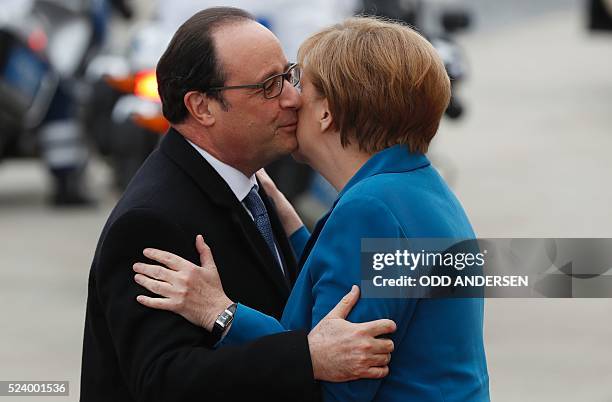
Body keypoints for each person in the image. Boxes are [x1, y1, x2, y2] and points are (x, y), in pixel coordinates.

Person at [133, 17, 491, 401]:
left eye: (299, 82)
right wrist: (294, 231)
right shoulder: (417, 186)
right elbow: (372, 284)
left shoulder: (370, 211)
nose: (290, 98)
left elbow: (336, 384)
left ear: (327, 112)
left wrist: (222, 313)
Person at [80, 8, 396, 402]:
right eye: (268, 86)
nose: (294, 98)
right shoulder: (152, 220)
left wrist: (295, 241)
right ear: (202, 107)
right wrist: (305, 357)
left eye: (287, 76)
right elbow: (162, 380)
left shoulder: (251, 185)